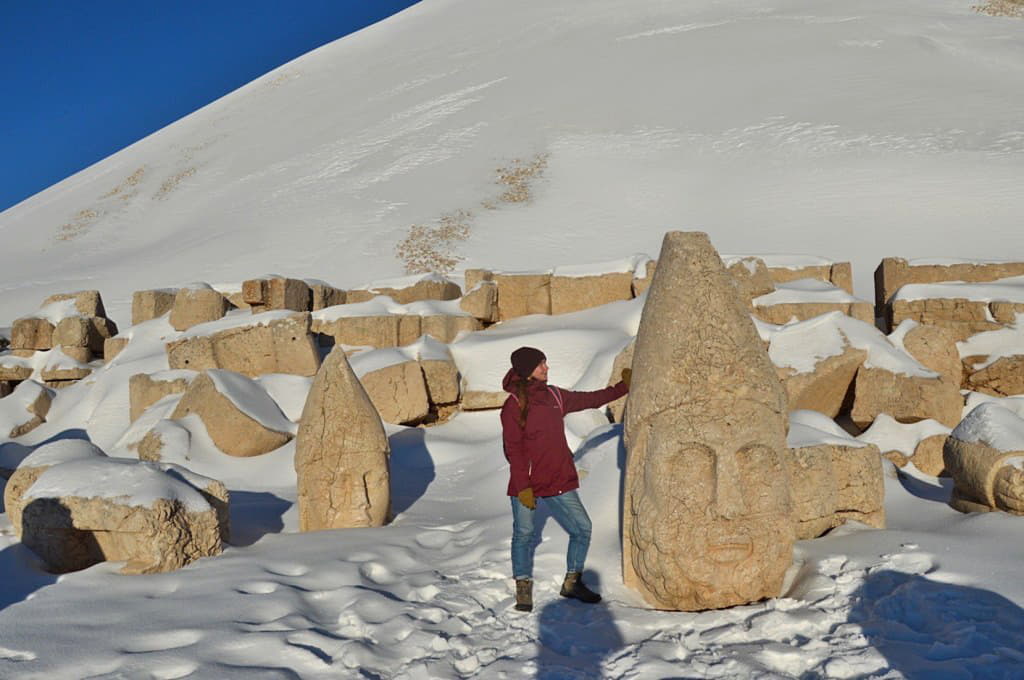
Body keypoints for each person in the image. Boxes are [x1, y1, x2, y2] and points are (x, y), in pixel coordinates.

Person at [500, 346, 630, 613]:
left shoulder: (555, 396)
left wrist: (622, 387)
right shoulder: (513, 405)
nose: (546, 368)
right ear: (526, 372)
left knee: (582, 528)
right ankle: (523, 586)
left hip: (557, 477)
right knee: (523, 534)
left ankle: (572, 583)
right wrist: (523, 486)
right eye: (541, 365)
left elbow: (591, 399)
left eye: (546, 363)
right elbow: (513, 449)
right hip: (526, 483)